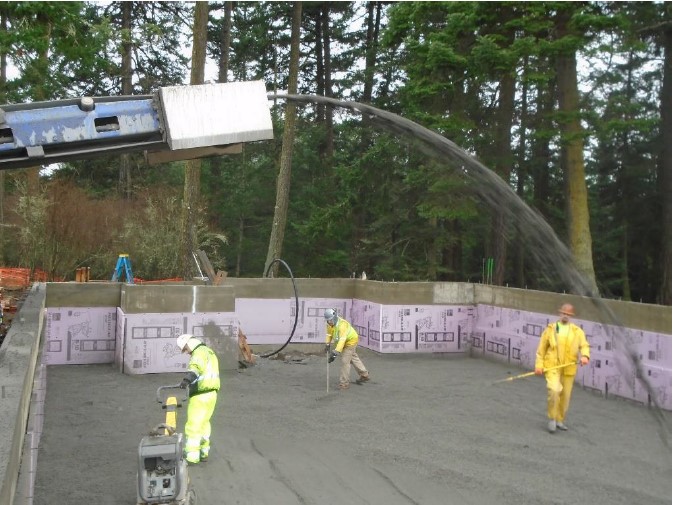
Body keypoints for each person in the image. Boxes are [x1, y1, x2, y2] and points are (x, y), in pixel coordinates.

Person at [534, 303, 590, 433]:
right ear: (559, 314)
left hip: (568, 367)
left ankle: (560, 419)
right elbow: (541, 349)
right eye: (564, 313)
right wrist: (539, 365)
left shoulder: (577, 332)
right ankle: (552, 418)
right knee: (554, 390)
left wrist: (585, 356)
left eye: (568, 314)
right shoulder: (550, 330)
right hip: (552, 366)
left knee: (565, 396)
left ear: (571, 316)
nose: (565, 316)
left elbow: (584, 345)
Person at [177, 334, 220, 463]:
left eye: (185, 349)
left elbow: (195, 368)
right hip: (212, 394)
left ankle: (191, 457)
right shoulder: (209, 352)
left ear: (188, 343)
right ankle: (203, 452)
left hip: (200, 395)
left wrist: (186, 380)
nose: (186, 352)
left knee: (193, 425)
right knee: (204, 424)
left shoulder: (198, 353)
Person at [324, 308, 370, 390]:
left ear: (334, 317)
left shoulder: (342, 325)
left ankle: (344, 383)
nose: (329, 322)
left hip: (350, 341)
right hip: (344, 341)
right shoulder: (329, 324)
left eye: (330, 320)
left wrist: (335, 354)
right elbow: (329, 334)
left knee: (345, 361)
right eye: (328, 320)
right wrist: (327, 344)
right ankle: (364, 374)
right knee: (352, 357)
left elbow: (342, 341)